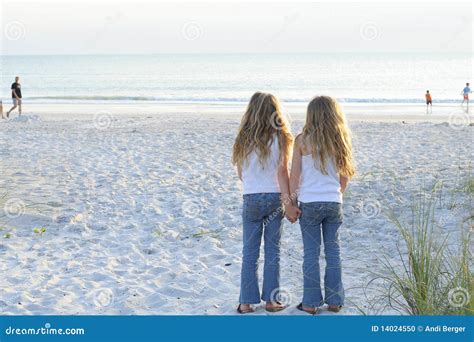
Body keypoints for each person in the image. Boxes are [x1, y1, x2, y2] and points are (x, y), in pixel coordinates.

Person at [232, 92, 299, 314]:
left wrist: (253, 183)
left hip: (250, 198)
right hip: (273, 197)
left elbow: (241, 173)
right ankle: (271, 301)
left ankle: (245, 303)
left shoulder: (243, 137)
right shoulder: (281, 137)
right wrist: (288, 200)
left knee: (249, 252)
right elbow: (282, 173)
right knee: (273, 251)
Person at [289, 96, 355, 315]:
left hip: (309, 203)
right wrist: (336, 195)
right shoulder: (340, 139)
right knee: (333, 251)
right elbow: (345, 178)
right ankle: (335, 301)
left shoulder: (301, 141)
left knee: (311, 253)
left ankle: (310, 303)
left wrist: (292, 201)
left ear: (311, 115)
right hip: (333, 203)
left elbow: (295, 175)